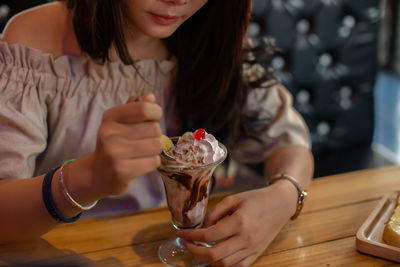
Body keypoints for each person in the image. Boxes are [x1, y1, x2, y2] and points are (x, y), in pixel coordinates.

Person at [0, 0, 314, 266]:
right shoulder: (34, 44)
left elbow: (289, 143)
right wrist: (88, 178)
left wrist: (283, 198)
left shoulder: (211, 37)